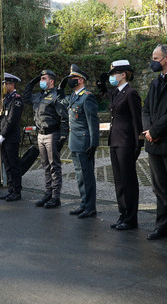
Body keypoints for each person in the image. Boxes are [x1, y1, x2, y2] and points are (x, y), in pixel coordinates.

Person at [142, 44, 167, 246]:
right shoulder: (155, 82)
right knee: (160, 189)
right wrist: (149, 131)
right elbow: (146, 109)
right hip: (154, 144)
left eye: (155, 58)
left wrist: (155, 132)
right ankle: (162, 227)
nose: (153, 61)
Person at [98, 60, 143, 229]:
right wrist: (101, 84)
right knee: (119, 180)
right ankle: (123, 214)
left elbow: (136, 120)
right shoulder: (116, 93)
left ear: (123, 74)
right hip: (115, 141)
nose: (111, 77)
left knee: (128, 180)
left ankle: (131, 218)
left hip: (126, 142)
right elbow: (105, 95)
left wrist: (138, 143)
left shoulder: (131, 93)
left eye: (113, 75)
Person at [23, 69, 69, 208]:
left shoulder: (56, 96)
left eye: (43, 78)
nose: (41, 81)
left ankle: (56, 196)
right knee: (45, 166)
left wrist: (63, 136)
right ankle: (48, 193)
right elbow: (26, 98)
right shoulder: (38, 96)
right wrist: (31, 83)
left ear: (51, 81)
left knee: (54, 166)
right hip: (41, 134)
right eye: (41, 78)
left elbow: (64, 118)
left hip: (52, 134)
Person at [59, 64, 100, 218]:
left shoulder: (87, 97)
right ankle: (84, 204)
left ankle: (90, 207)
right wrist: (60, 88)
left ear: (81, 80)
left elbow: (92, 122)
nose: (70, 81)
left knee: (87, 175)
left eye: (72, 78)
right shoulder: (74, 97)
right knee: (79, 175)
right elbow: (60, 101)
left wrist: (94, 143)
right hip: (74, 142)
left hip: (84, 142)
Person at [0, 73, 24, 202]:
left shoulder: (16, 99)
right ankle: (11, 189)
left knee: (14, 165)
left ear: (11, 85)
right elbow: (3, 118)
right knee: (7, 165)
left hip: (11, 138)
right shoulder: (6, 99)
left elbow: (12, 120)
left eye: (5, 84)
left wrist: (3, 135)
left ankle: (17, 191)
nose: (3, 86)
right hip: (5, 137)